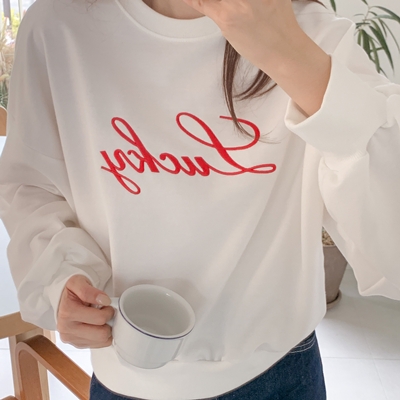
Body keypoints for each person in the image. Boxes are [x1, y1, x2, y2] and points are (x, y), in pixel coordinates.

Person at [0, 0, 399, 398]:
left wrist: (292, 55)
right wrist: (61, 276)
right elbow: (32, 187)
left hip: (277, 373)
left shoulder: (312, 33)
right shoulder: (59, 27)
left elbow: (391, 247)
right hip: (124, 372)